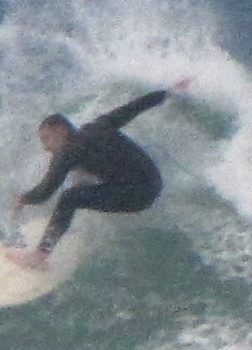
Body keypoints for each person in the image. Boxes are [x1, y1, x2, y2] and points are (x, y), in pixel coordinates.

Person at [13, 88, 175, 262]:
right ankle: (67, 226)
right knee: (81, 181)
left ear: (61, 130)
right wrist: (165, 93)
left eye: (46, 138)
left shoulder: (67, 152)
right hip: (154, 182)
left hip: (138, 196)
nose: (45, 147)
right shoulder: (99, 125)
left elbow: (44, 192)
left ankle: (40, 255)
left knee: (69, 197)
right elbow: (134, 107)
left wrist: (24, 199)